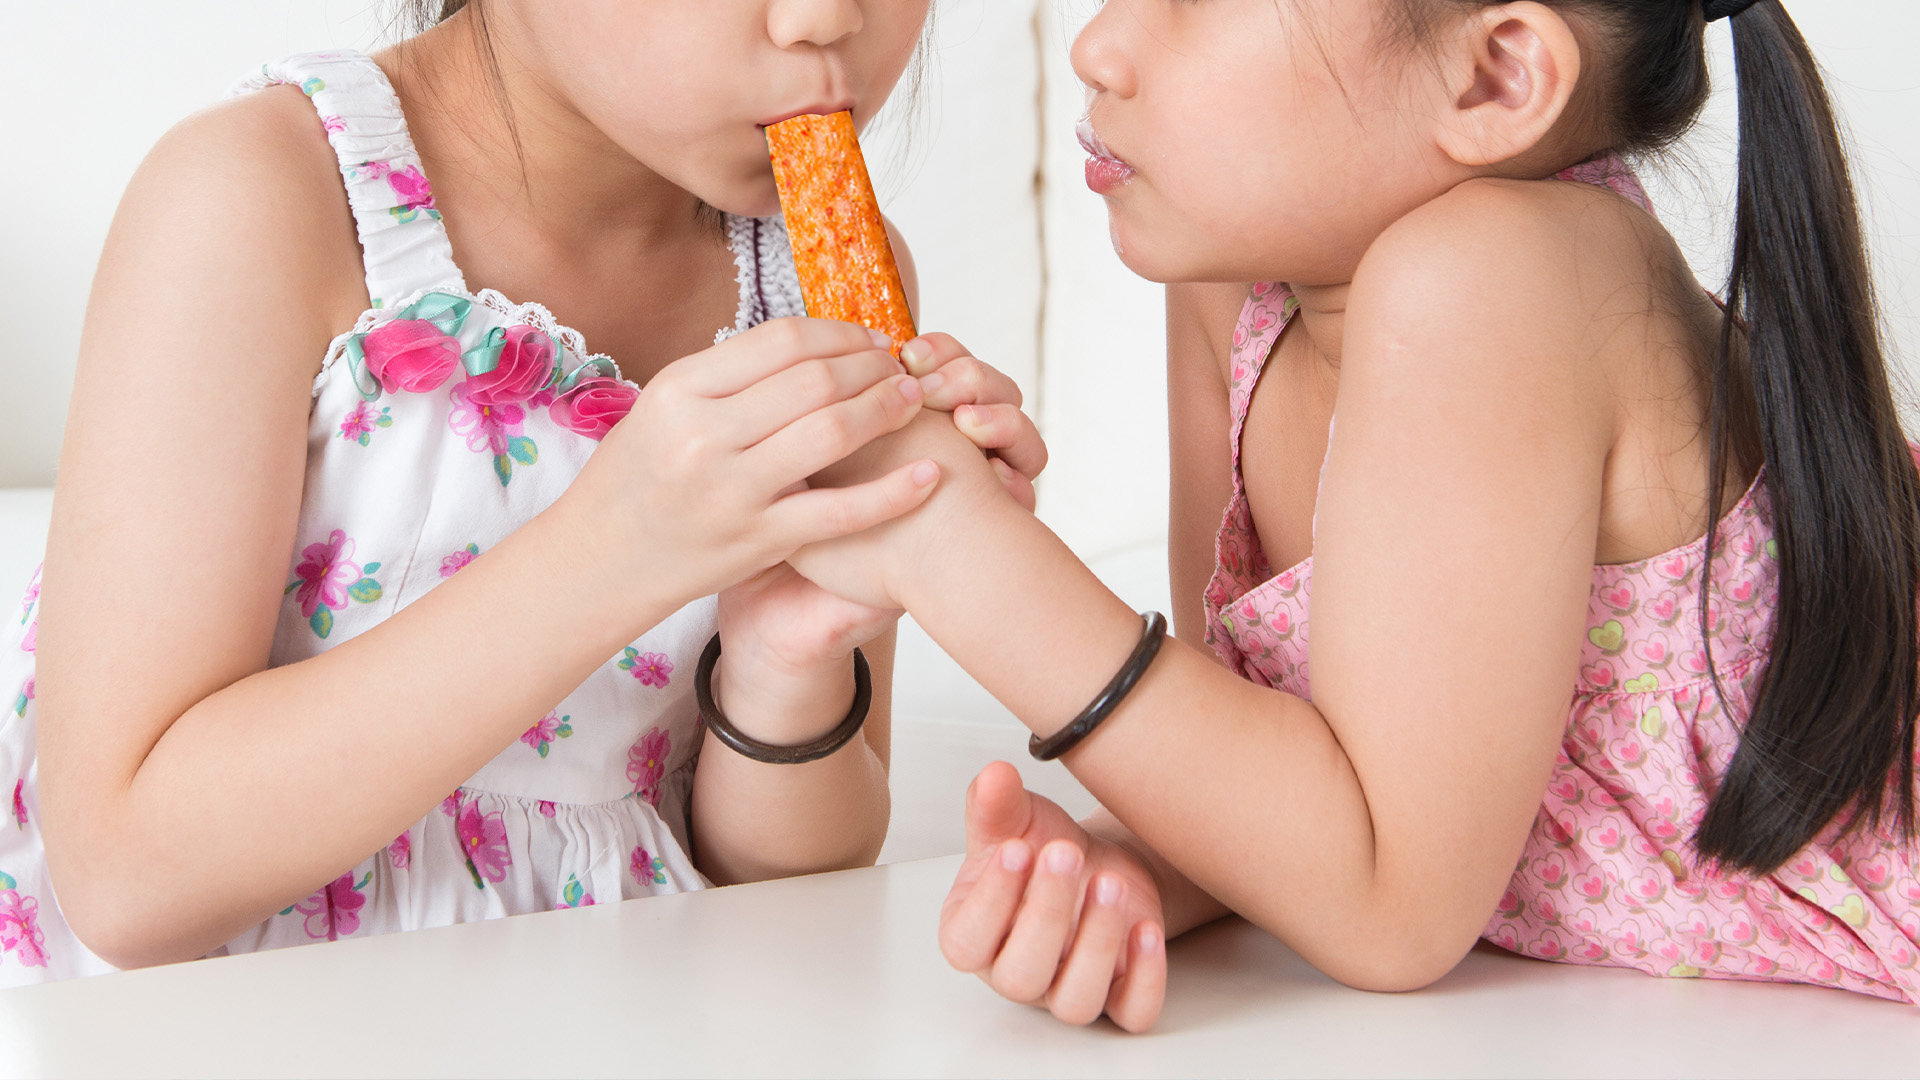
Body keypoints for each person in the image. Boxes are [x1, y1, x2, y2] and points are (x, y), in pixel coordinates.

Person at [782, 0, 1920, 1030]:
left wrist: (954, 544)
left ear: (1495, 78)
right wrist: (1151, 867)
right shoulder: (1232, 283)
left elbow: (1388, 899)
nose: (1096, 45)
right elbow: (1278, 745)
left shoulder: (1497, 278)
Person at [0, 0, 1047, 984]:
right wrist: (617, 551)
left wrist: (787, 661)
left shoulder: (821, 284)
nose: (827, 17)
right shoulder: (261, 198)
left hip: (615, 1010)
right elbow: (125, 875)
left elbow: (790, 881)